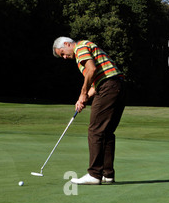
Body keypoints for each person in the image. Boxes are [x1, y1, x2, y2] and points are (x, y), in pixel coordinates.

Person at [52, 36, 126, 185]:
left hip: (108, 87)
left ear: (66, 44)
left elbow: (91, 70)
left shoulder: (80, 47)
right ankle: (107, 174)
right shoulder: (87, 47)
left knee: (95, 131)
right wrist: (83, 99)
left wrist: (82, 93)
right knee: (106, 132)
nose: (65, 57)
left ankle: (94, 174)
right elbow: (95, 81)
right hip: (117, 86)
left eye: (63, 53)